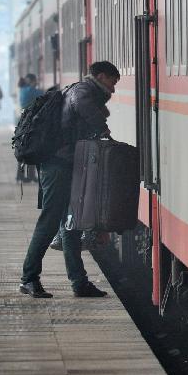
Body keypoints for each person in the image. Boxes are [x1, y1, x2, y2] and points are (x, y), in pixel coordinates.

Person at [19, 61, 120, 298]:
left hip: (66, 164)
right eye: (112, 82)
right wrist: (105, 131)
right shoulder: (83, 91)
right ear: (101, 76)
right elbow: (84, 108)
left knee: (70, 226)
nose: (113, 89)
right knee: (49, 223)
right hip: (56, 166)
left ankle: (79, 282)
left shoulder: (82, 90)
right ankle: (28, 278)